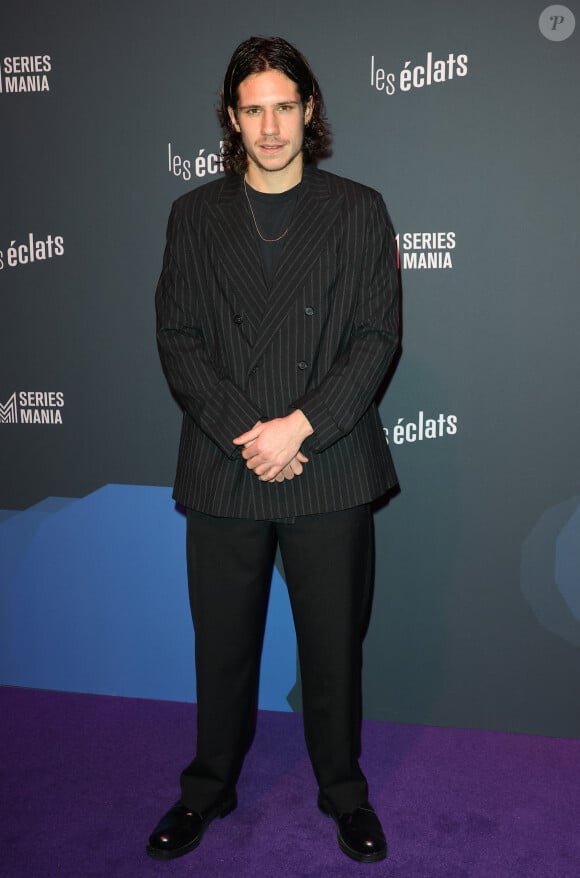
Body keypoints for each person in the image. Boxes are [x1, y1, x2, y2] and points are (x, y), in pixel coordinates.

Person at [147, 35, 400, 865]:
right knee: (221, 647)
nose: (269, 125)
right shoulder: (194, 215)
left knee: (333, 647)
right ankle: (208, 789)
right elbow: (179, 340)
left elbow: (375, 338)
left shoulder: (359, 209)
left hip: (327, 461)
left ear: (309, 110)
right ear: (232, 118)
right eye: (252, 109)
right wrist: (250, 433)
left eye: (283, 106)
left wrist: (301, 427)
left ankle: (345, 794)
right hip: (226, 463)